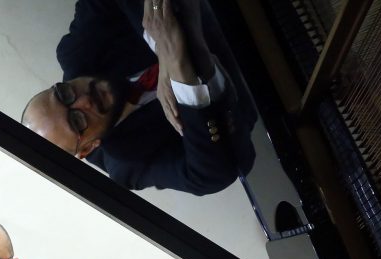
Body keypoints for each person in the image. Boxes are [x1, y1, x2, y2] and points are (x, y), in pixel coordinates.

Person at [22, 0, 255, 195]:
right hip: (260, 83)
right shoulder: (128, 163)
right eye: (77, 121)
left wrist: (165, 50)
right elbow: (214, 174)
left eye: (63, 95)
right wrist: (180, 73)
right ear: (88, 147)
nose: (84, 101)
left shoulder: (77, 53)